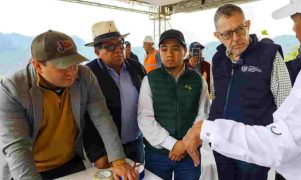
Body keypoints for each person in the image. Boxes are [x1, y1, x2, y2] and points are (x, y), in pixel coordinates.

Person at [183, 0, 301, 180]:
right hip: (231, 149)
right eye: (227, 34)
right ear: (218, 36)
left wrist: (207, 129)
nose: (293, 29)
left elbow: (281, 140)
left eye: (294, 20)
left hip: (260, 150)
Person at [0, 30, 137, 180]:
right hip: (30, 168)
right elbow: (17, 146)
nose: (72, 72)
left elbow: (102, 117)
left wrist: (118, 160)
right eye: (62, 66)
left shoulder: (85, 76)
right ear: (38, 66)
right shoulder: (12, 89)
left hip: (70, 163)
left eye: (74, 64)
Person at [196, 4, 291, 180]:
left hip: (253, 147)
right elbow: (216, 96)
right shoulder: (217, 59)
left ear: (247, 24)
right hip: (222, 144)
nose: (236, 38)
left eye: (240, 29)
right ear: (217, 36)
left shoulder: (269, 55)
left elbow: (286, 106)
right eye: (227, 34)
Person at [137, 29, 210, 180]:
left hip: (190, 153)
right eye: (164, 49)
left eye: (175, 48)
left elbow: (203, 115)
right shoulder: (150, 80)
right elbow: (145, 118)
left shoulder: (197, 80)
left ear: (184, 51)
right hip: (157, 154)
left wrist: (186, 144)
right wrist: (173, 145)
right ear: (160, 52)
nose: (169, 54)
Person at [83, 21, 146, 169]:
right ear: (97, 52)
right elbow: (85, 118)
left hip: (136, 143)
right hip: (106, 150)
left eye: (120, 44)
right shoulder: (88, 74)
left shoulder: (136, 68)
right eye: (110, 47)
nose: (118, 49)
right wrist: (97, 153)